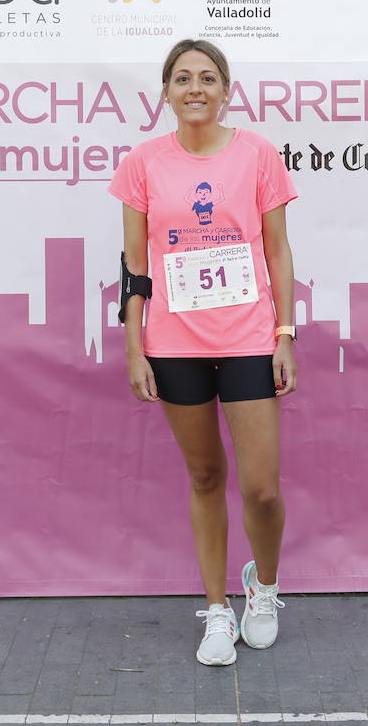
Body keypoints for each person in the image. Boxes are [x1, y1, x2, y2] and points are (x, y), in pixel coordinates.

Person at [108, 38, 297, 666]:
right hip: (173, 345)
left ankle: (262, 589)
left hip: (247, 337)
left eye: (208, 78)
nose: (196, 88)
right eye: (183, 78)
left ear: (225, 90)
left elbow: (276, 252)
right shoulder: (142, 163)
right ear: (165, 91)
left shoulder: (257, 155)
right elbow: (136, 266)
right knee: (206, 476)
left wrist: (284, 335)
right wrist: (135, 347)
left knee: (262, 489)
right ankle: (217, 610)